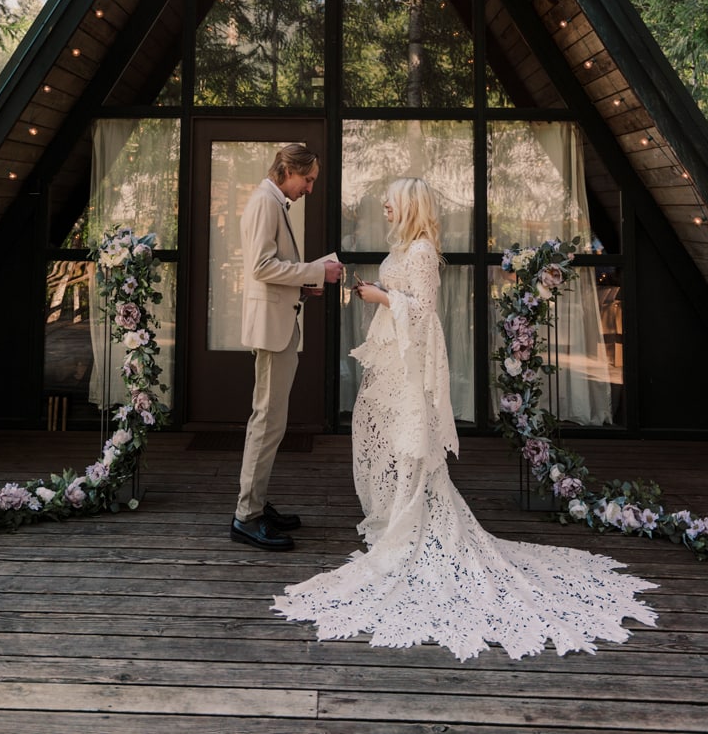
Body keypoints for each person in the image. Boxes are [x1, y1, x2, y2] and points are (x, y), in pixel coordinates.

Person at [273, 177, 657, 659]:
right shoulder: (405, 247)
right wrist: (381, 294)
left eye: (391, 200)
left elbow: (425, 312)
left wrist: (382, 298)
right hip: (390, 360)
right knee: (382, 438)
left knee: (409, 442)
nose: (385, 205)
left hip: (411, 366)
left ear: (409, 206)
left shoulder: (422, 252)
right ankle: (394, 513)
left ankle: (412, 520)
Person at [231, 144, 343, 552]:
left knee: (271, 421)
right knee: (266, 422)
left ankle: (256, 502)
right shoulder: (264, 201)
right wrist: (318, 271)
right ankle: (247, 516)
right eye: (308, 179)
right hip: (272, 331)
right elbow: (260, 267)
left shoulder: (273, 201)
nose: (310, 188)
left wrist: (305, 283)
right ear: (287, 170)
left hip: (280, 323)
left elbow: (274, 268)